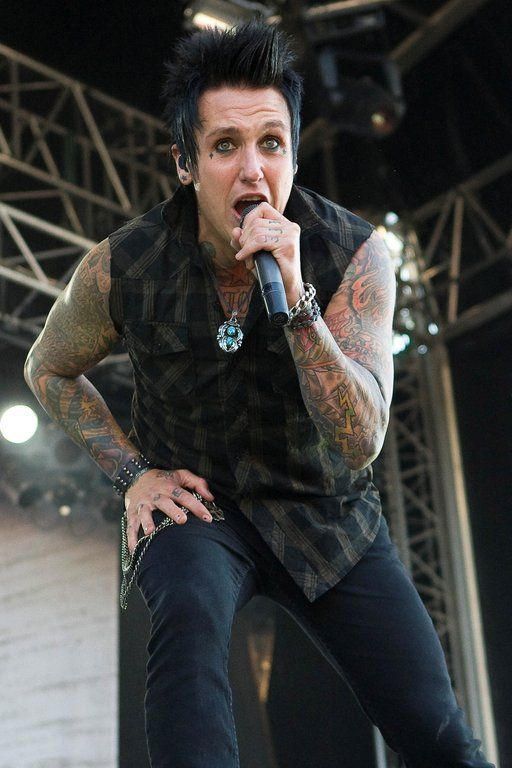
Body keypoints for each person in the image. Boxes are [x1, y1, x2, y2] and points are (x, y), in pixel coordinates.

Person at [24, 21, 494, 768]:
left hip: (328, 516)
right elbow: (47, 368)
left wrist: (300, 302)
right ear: (185, 163)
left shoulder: (353, 253)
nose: (252, 170)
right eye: (225, 146)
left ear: (295, 155)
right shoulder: (125, 265)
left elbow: (360, 441)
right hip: (201, 504)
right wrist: (132, 472)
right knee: (186, 616)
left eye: (271, 143)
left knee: (438, 736)